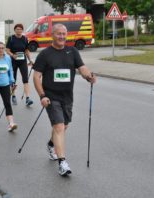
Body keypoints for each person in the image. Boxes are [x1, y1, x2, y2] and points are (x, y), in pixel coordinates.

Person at [33, 24, 96, 176]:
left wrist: (88, 77)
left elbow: (82, 68)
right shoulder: (45, 54)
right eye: (58, 34)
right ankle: (62, 163)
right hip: (51, 96)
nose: (62, 37)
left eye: (64, 34)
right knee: (59, 127)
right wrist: (42, 95)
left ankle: (50, 144)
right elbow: (36, 76)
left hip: (67, 97)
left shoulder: (72, 51)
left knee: (63, 126)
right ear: (52, 35)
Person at [6, 23, 33, 106]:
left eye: (20, 29)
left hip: (22, 61)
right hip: (13, 61)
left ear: (22, 30)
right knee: (13, 79)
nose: (19, 30)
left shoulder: (25, 39)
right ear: (15, 30)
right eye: (17, 29)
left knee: (25, 79)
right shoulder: (11, 38)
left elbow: (27, 51)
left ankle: (28, 98)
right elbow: (7, 50)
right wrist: (12, 55)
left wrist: (30, 60)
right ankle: (13, 95)